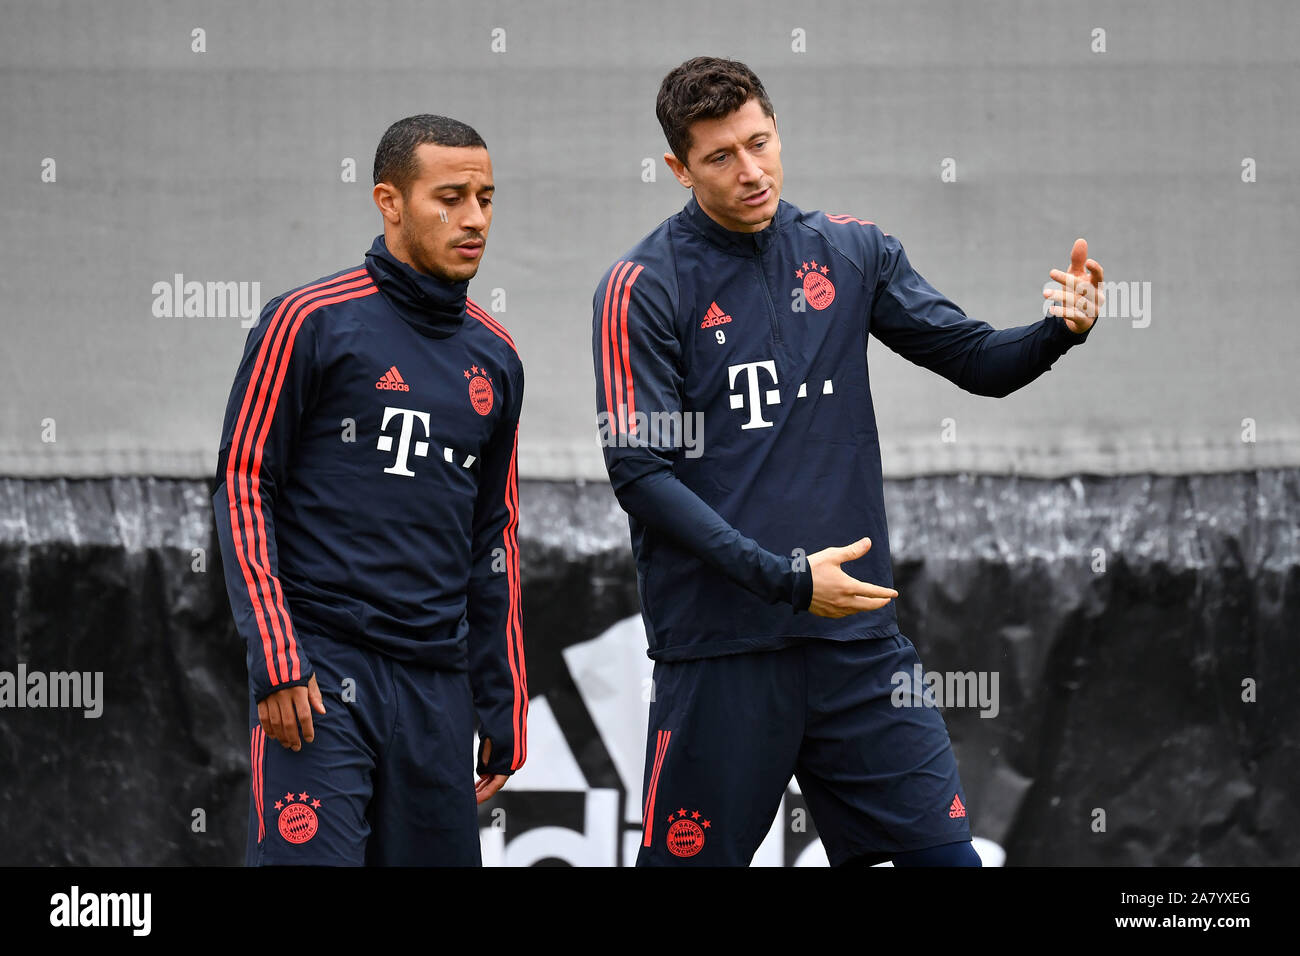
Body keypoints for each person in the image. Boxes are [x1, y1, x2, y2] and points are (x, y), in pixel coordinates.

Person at [591, 56, 1103, 866]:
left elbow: (974, 358)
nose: (750, 170)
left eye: (759, 143)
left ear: (778, 130)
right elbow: (642, 476)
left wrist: (1056, 333)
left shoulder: (851, 251)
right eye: (720, 157)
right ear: (678, 169)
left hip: (860, 650)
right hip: (724, 658)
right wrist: (788, 580)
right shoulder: (641, 286)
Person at [213, 114, 526, 866]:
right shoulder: (307, 322)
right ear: (389, 201)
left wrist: (503, 697)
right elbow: (243, 482)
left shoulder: (498, 357)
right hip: (321, 676)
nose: (474, 218)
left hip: (437, 693)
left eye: (486, 197)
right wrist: (278, 657)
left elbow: (495, 537)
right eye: (449, 197)